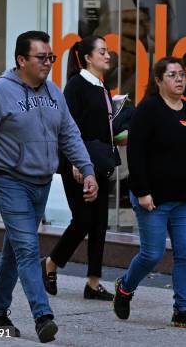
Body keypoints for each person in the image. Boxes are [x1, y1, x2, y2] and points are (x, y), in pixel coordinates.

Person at [0, 30, 99, 343]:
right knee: (28, 248)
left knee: (15, 249)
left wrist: (87, 169)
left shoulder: (53, 93)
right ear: (21, 60)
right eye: (41, 57)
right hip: (9, 180)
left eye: (51, 57)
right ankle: (42, 315)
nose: (48, 63)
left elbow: (69, 134)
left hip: (41, 182)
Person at [113, 56, 186, 329]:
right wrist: (142, 191)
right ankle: (125, 288)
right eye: (172, 75)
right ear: (158, 81)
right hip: (152, 198)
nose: (179, 79)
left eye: (183, 74)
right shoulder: (148, 110)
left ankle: (181, 310)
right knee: (152, 254)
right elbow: (136, 153)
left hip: (184, 200)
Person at [41, 35, 115, 301]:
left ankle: (93, 283)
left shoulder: (102, 87)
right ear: (87, 58)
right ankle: (50, 264)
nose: (108, 56)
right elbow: (66, 128)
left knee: (99, 224)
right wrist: (75, 162)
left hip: (101, 163)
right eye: (102, 51)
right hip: (78, 165)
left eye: (108, 52)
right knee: (84, 219)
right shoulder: (76, 86)